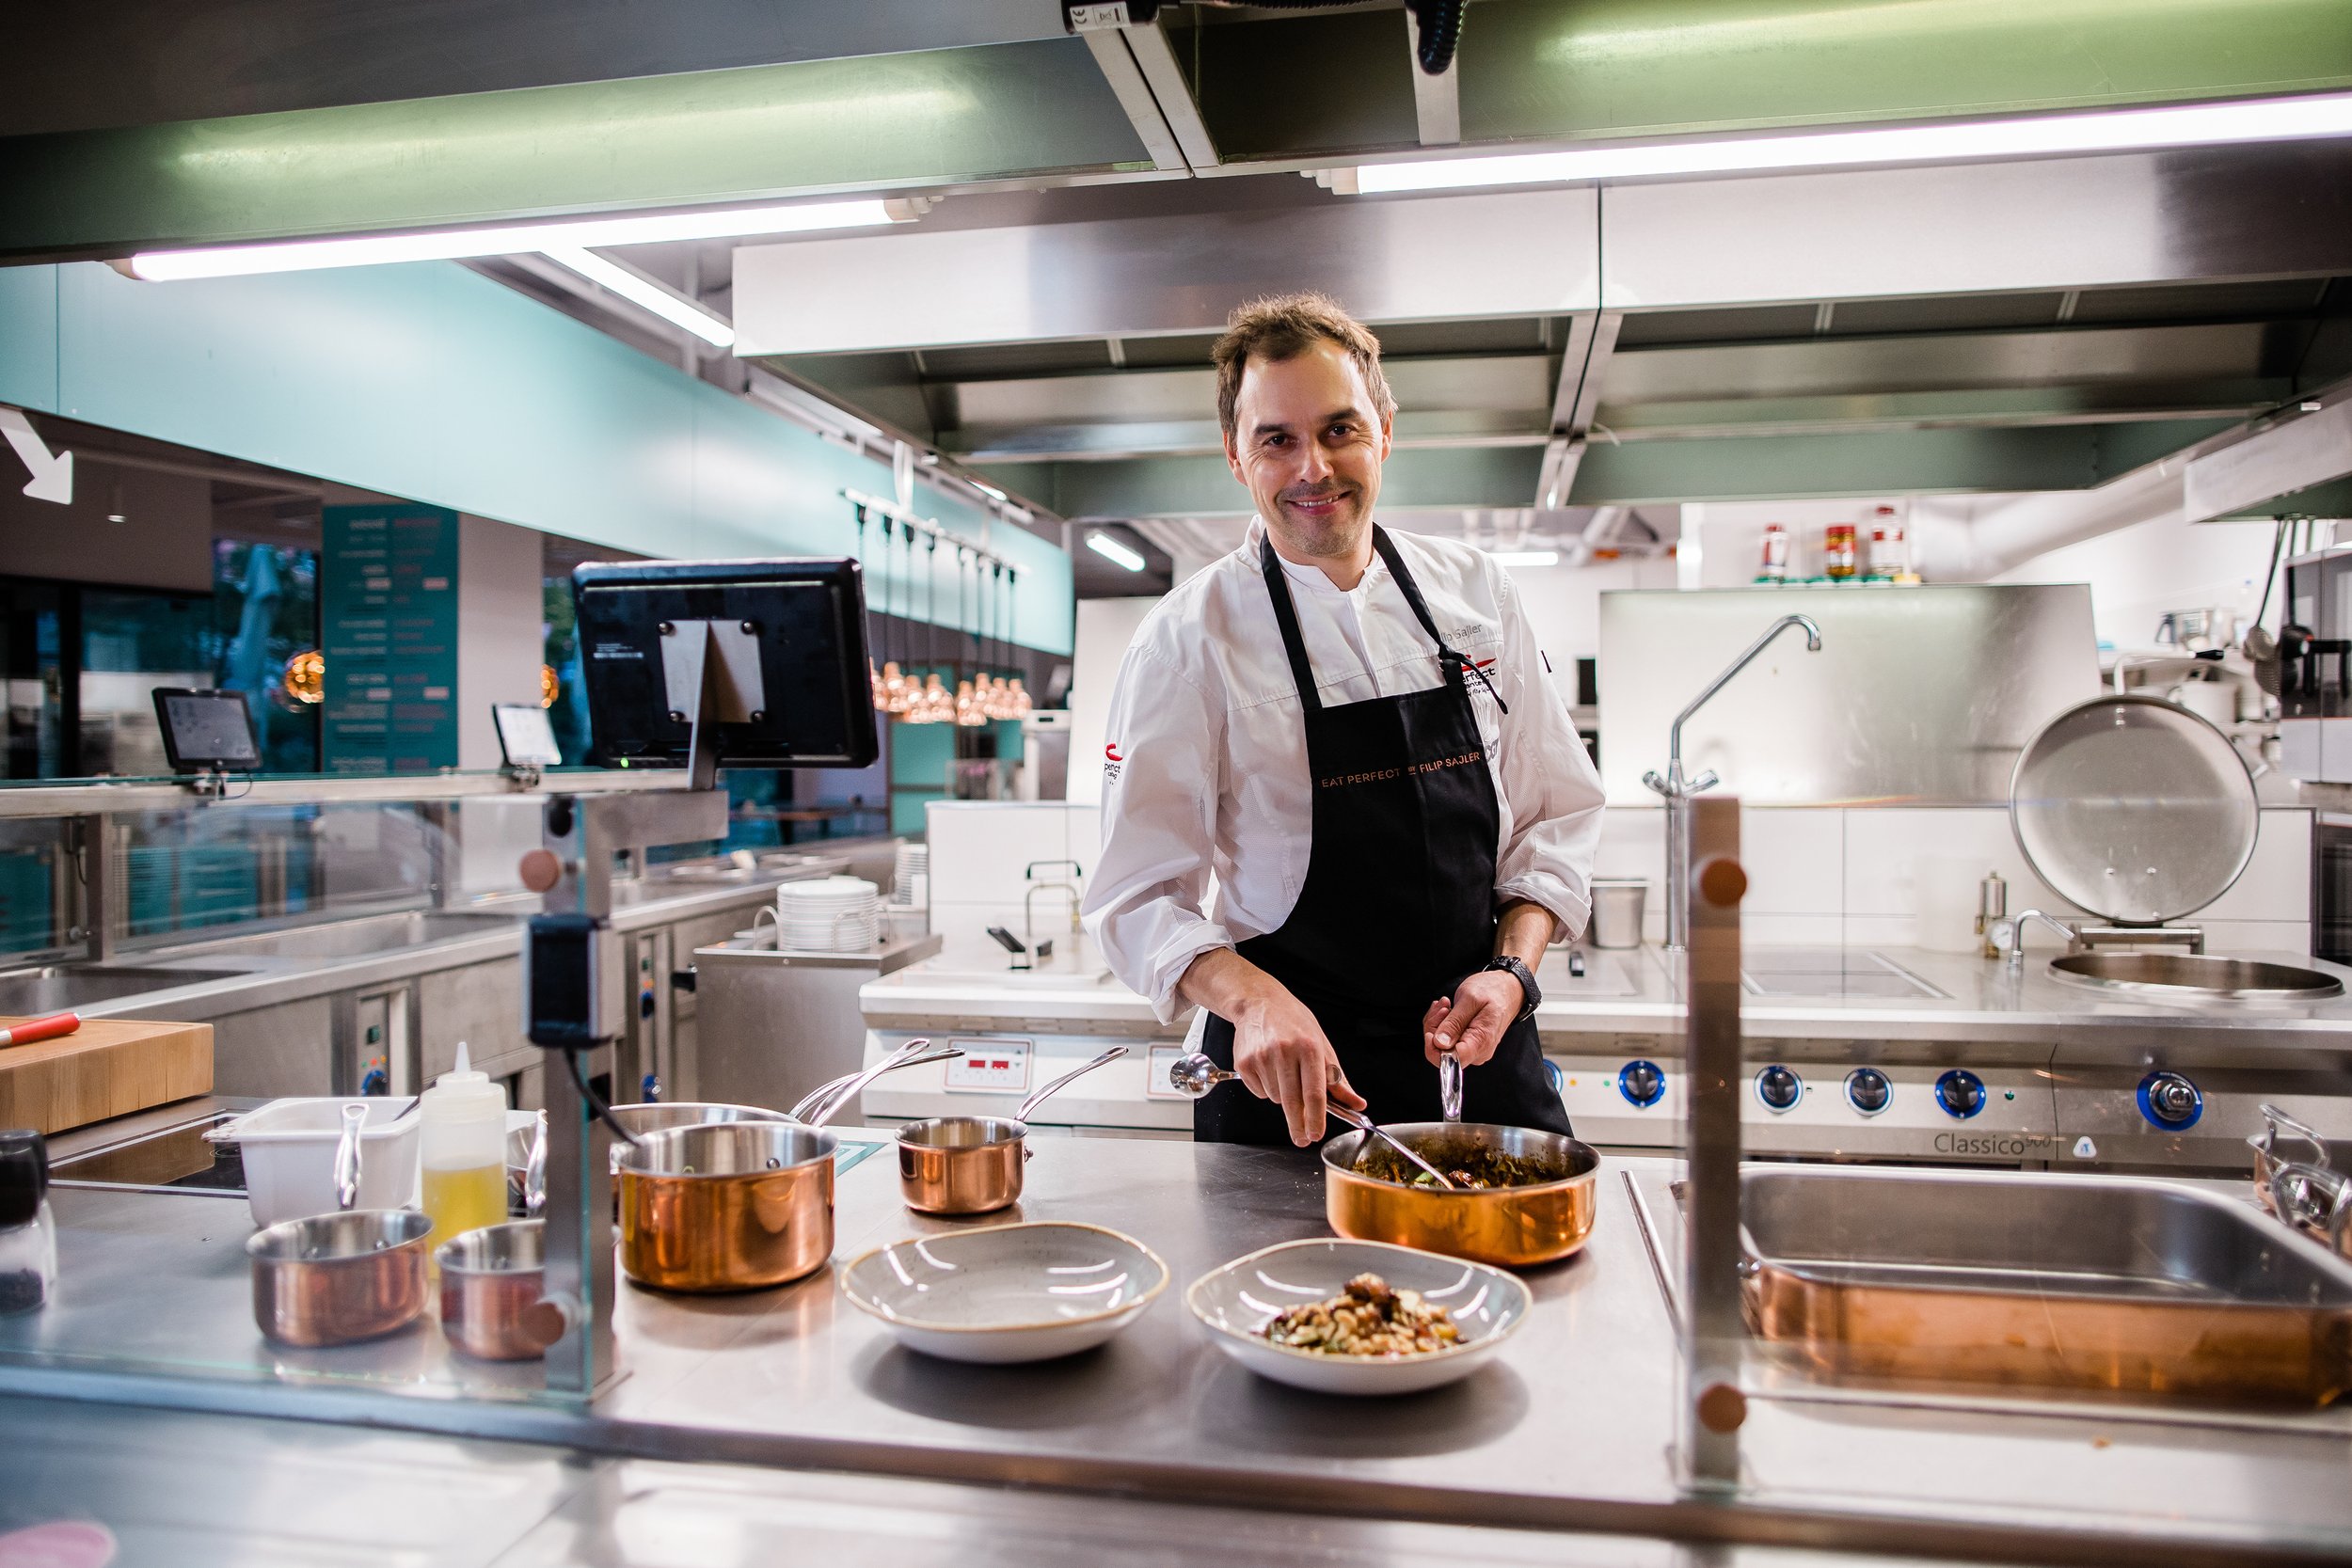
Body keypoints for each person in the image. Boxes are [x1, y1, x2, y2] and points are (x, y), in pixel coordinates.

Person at [1080, 293, 1606, 1148]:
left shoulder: (1476, 596)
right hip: (1290, 1082)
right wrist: (1253, 1000)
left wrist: (1513, 970)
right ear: (1235, 457)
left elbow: (1556, 815)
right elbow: (1135, 895)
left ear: (1384, 433)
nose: (1313, 469)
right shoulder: (1186, 642)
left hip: (1479, 1056)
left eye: (1339, 429)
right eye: (1276, 440)